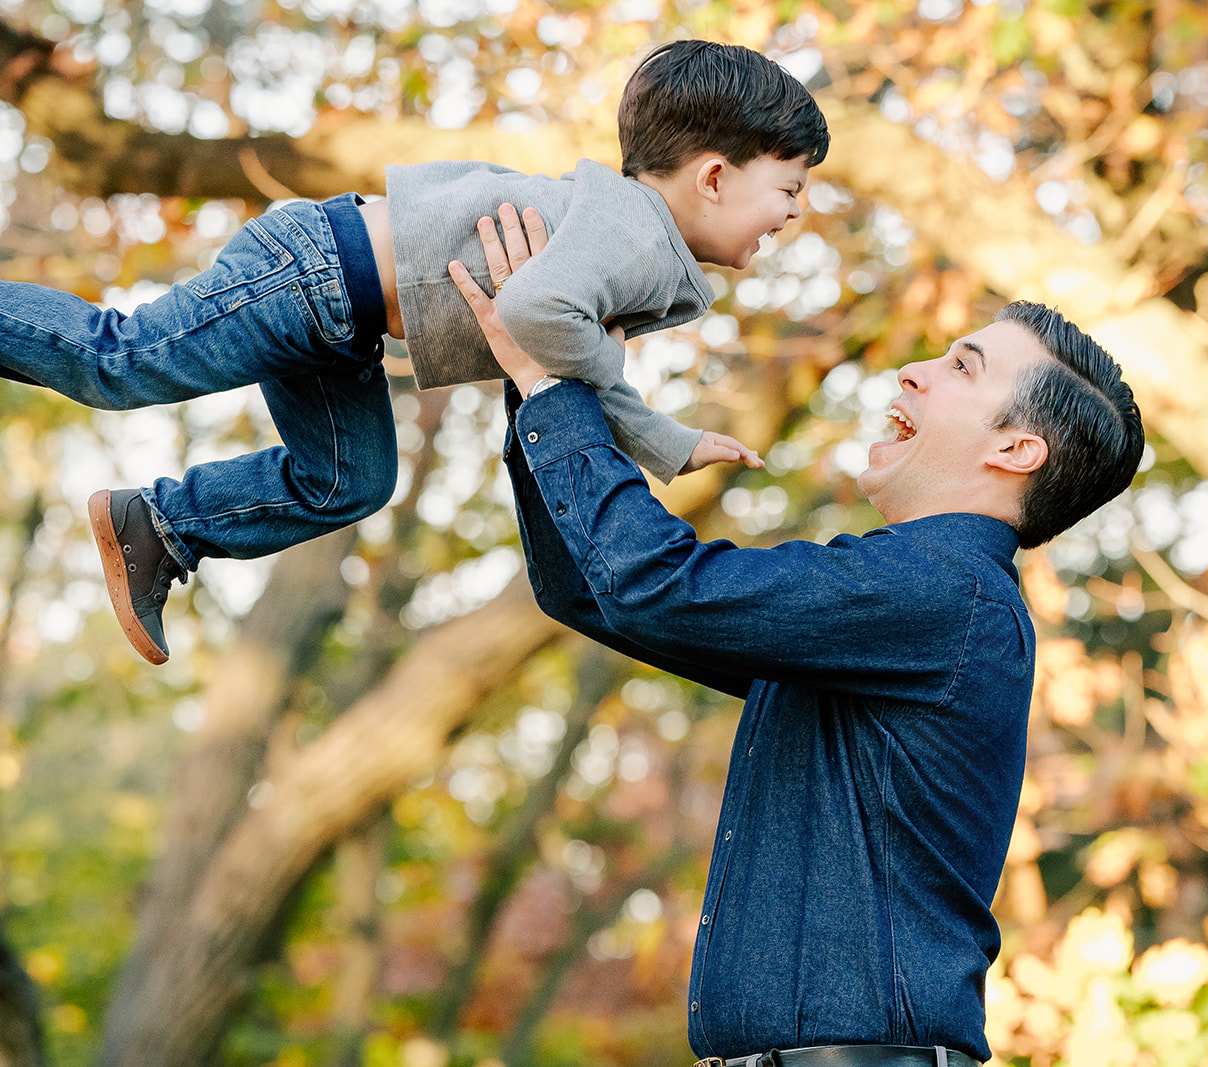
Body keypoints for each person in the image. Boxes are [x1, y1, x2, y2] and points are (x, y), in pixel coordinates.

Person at [0, 39, 827, 664]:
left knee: (348, 477)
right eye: (786, 190)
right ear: (709, 174)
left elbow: (551, 345)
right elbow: (536, 316)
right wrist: (655, 432)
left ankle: (158, 527)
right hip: (312, 272)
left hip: (340, 312)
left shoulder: (643, 243)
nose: (792, 215)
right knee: (120, 362)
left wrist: (636, 418)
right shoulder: (635, 235)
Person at [447, 211, 1144, 1066]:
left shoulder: (944, 592)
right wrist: (537, 381)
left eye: (962, 366)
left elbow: (653, 585)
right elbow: (591, 588)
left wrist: (558, 386)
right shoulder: (895, 612)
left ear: (1016, 447)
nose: (917, 371)